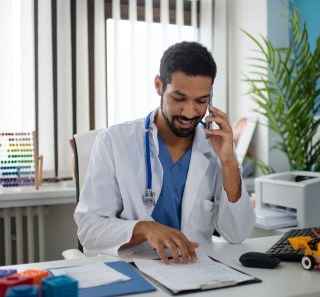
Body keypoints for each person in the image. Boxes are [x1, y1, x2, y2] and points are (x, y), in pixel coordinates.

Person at [74, 41, 255, 264]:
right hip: (134, 268)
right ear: (159, 85)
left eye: (201, 101)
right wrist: (144, 229)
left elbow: (237, 234)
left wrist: (228, 161)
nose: (189, 112)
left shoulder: (215, 148)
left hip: (196, 271)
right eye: (179, 98)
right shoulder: (115, 141)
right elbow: (89, 229)